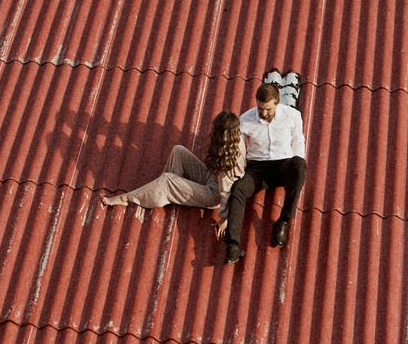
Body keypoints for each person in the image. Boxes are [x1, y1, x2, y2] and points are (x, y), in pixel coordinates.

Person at [102, 111, 247, 228]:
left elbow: (225, 193)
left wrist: (224, 219)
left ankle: (127, 198)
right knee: (178, 150)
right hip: (211, 178)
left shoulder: (227, 165)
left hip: (214, 194)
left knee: (167, 180)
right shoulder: (236, 142)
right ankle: (164, 190)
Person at [220, 71, 306, 262]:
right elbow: (236, 149)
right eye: (260, 108)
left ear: (277, 103)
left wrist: (296, 169)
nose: (263, 113)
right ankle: (233, 245)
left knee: (300, 165)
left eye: (268, 109)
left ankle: (283, 221)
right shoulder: (245, 119)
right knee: (238, 189)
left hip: (283, 165)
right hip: (258, 169)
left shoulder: (292, 116)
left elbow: (298, 142)